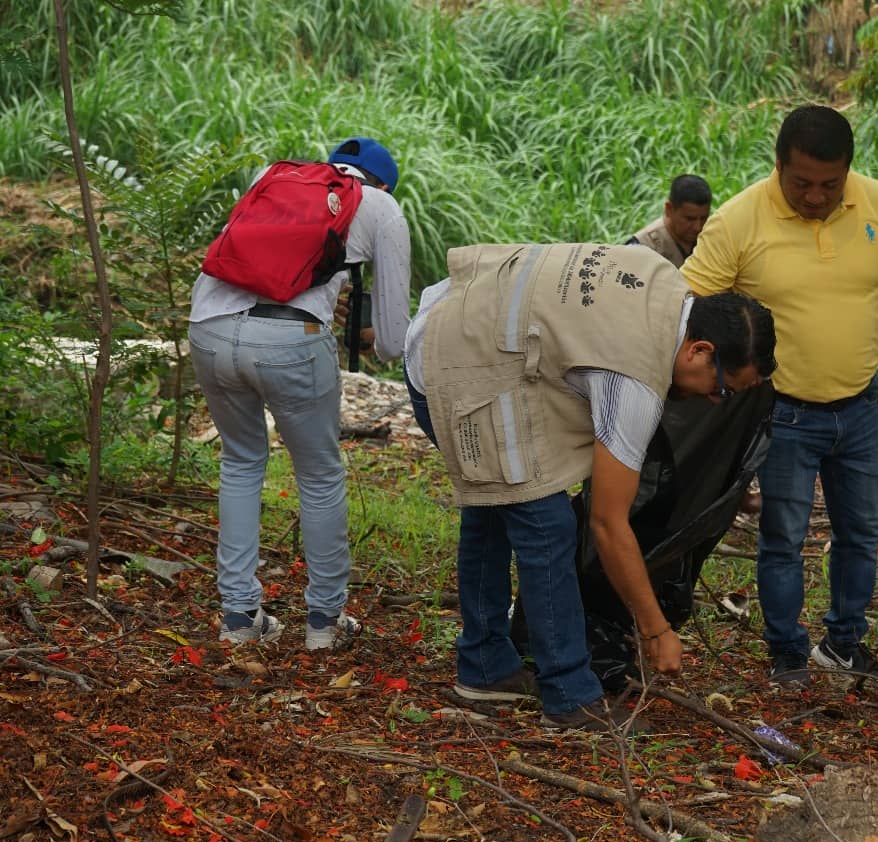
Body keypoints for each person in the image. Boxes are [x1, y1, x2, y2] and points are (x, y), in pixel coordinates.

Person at [403, 243, 775, 730]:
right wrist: (655, 629)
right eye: (721, 388)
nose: (712, 400)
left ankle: (485, 666)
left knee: (491, 510)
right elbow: (606, 522)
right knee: (548, 526)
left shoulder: (662, 279)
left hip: (459, 319)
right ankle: (569, 694)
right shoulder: (634, 377)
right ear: (699, 349)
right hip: (455, 365)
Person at [680, 105, 878, 685]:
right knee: (783, 537)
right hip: (784, 412)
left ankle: (844, 643)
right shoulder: (739, 220)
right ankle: (787, 652)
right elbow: (685, 305)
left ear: (848, 170)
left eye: (830, 184)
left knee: (863, 531)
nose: (817, 197)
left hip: (861, 407)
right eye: (802, 184)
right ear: (779, 166)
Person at [189, 137, 411, 650]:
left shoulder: (273, 175)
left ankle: (240, 620)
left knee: (241, 462)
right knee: (318, 475)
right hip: (292, 339)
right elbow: (394, 342)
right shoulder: (381, 206)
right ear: (380, 183)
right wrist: (368, 338)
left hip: (209, 327)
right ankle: (324, 624)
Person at [626, 174, 712, 268]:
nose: (698, 227)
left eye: (703, 218)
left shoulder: (711, 238)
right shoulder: (640, 249)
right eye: (689, 219)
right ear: (669, 209)